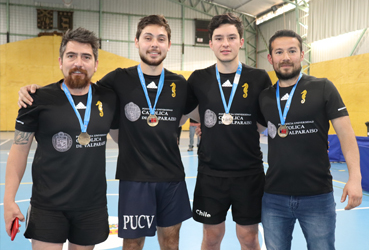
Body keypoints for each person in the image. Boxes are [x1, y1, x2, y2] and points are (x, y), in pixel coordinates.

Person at [17, 15, 193, 250]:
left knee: (171, 243)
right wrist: (35, 91)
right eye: (148, 37)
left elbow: (196, 112)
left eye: (161, 39)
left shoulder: (180, 84)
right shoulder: (118, 79)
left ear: (169, 44)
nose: (154, 44)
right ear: (136, 41)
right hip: (134, 178)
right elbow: (79, 87)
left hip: (172, 177)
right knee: (132, 244)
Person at [4, 27, 118, 250]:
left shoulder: (109, 99)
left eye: (86, 57)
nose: (78, 62)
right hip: (47, 206)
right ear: (60, 61)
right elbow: (19, 150)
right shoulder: (36, 99)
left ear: (95, 64)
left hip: (91, 207)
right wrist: (9, 200)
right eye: (71, 56)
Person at [258, 29, 363, 250]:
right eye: (279, 52)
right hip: (274, 197)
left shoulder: (323, 87)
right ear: (270, 58)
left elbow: (346, 134)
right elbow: (249, 129)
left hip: (317, 196)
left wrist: (355, 178)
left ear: (302, 54)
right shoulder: (265, 97)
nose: (285, 57)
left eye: (292, 51)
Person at [185, 13, 272, 250]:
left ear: (241, 41)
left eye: (232, 37)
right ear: (210, 43)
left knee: (249, 238)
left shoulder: (259, 78)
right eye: (219, 38)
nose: (226, 43)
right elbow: (190, 113)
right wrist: (209, 122)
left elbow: (265, 121)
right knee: (211, 238)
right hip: (211, 174)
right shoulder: (198, 79)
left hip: (249, 173)